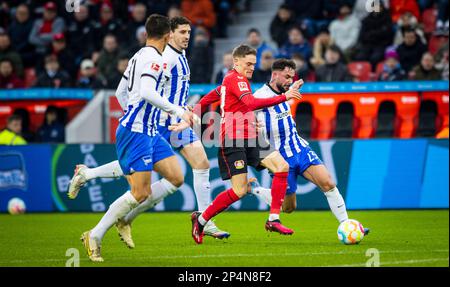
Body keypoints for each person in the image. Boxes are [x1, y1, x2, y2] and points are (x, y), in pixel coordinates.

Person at [79, 14, 193, 262]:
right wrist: (177, 110)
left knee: (175, 177)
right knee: (140, 192)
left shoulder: (139, 55)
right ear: (167, 35)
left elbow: (121, 91)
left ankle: (88, 174)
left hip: (148, 129)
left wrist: (132, 112)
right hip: (139, 131)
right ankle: (95, 235)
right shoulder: (155, 58)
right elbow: (147, 92)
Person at [176, 44, 303, 244]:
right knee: (239, 190)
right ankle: (200, 220)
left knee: (282, 167)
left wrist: (195, 109)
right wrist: (284, 97)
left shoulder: (233, 80)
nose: (252, 67)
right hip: (233, 140)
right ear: (236, 62)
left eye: (254, 63)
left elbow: (215, 94)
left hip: (252, 137)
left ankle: (273, 219)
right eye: (248, 63)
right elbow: (251, 103)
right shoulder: (236, 79)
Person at [245, 59, 369, 236]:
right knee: (288, 207)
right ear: (275, 74)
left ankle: (348, 225)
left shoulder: (288, 92)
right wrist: (251, 126)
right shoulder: (259, 97)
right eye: (287, 76)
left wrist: (292, 87)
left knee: (328, 183)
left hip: (299, 148)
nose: (289, 80)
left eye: (292, 77)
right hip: (279, 158)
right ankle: (255, 189)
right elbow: (244, 116)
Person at [7, 4, 35, 68]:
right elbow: (8, 37)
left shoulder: (32, 25)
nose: (21, 15)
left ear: (28, 14)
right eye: (20, 13)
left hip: (27, 51)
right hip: (13, 50)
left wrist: (17, 49)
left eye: (24, 13)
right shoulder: (12, 25)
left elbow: (30, 40)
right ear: (16, 14)